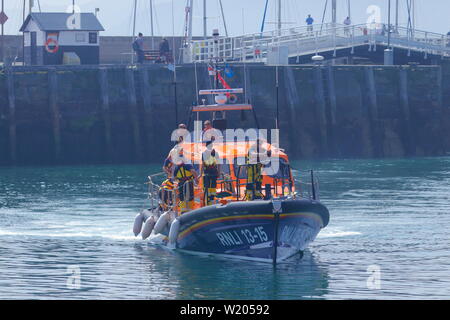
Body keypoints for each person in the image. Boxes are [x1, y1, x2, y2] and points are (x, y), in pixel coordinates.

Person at [201, 140, 221, 206]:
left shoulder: (204, 153)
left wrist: (201, 174)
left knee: (208, 188)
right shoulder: (216, 153)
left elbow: (203, 164)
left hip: (207, 173)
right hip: (213, 173)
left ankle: (209, 200)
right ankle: (211, 200)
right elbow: (218, 164)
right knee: (212, 188)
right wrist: (219, 172)